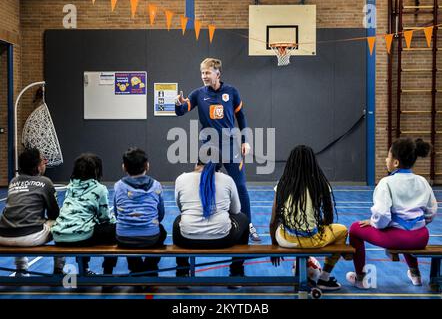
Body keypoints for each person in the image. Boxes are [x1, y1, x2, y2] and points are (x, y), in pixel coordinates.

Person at [174, 57, 260, 241]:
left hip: (230, 145)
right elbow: (180, 112)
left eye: (207, 72)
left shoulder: (232, 92)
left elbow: (241, 117)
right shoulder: (198, 94)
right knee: (206, 182)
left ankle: (248, 224)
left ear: (217, 73)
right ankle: (207, 221)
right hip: (208, 147)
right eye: (202, 72)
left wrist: (245, 141)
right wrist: (178, 103)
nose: (204, 76)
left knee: (240, 186)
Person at [347, 138, 437, 289]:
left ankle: (360, 278)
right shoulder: (422, 181)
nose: (386, 159)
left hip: (397, 238)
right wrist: (416, 224)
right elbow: (432, 212)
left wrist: (373, 222)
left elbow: (382, 216)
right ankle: (416, 274)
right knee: (408, 227)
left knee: (355, 229)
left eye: (388, 156)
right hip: (421, 238)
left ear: (395, 162)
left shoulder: (386, 183)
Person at [269, 145, 347, 291]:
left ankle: (302, 273)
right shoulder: (320, 183)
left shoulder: (283, 183)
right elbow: (329, 218)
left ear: (291, 163)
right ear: (313, 162)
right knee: (342, 230)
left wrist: (274, 246)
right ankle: (324, 278)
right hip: (312, 241)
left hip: (285, 240)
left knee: (285, 227)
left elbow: (273, 221)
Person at [173, 152, 249, 280]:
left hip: (187, 239)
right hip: (223, 239)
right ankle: (236, 270)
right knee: (244, 219)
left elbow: (181, 208)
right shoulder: (227, 180)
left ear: (197, 162)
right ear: (219, 167)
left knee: (177, 222)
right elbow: (236, 210)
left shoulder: (181, 179)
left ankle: (183, 271)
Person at [0, 147, 65, 276]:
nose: (45, 163)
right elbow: (54, 214)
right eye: (43, 161)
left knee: (17, 221)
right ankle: (59, 268)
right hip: (30, 237)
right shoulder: (45, 182)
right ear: (37, 166)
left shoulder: (14, 181)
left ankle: (21, 269)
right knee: (61, 223)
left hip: (3, 236)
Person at [51, 153, 117, 276]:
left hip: (59, 237)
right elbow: (105, 218)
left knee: (84, 225)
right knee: (113, 230)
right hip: (81, 238)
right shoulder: (100, 188)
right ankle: (108, 273)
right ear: (96, 170)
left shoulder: (70, 186)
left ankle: (64, 268)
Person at [113, 147, 167, 276]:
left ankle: (136, 268)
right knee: (162, 232)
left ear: (124, 167)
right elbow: (161, 214)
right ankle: (150, 267)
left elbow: (116, 214)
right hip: (150, 237)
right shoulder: (156, 185)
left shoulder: (118, 186)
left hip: (124, 238)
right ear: (147, 166)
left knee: (125, 231)